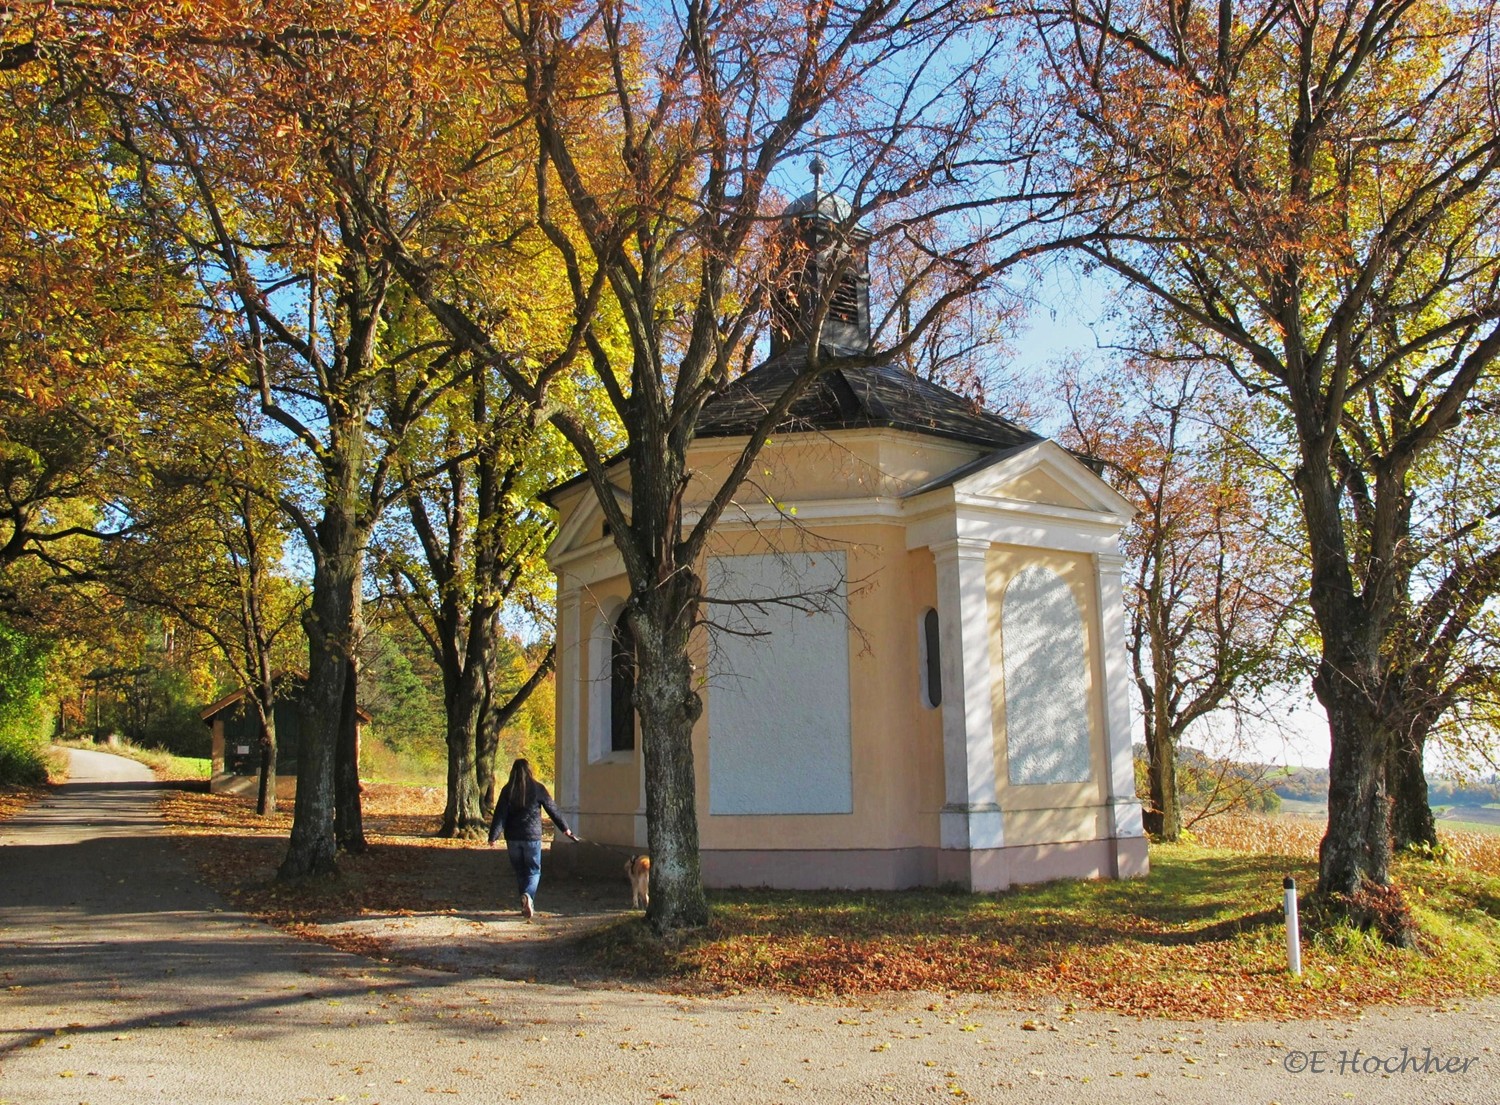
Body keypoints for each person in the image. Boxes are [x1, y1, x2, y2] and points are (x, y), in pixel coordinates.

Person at [487, 757, 577, 919]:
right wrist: (565, 829)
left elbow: (500, 815)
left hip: (513, 838)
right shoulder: (538, 788)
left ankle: (524, 900)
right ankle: (528, 896)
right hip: (532, 838)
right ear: (529, 771)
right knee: (534, 871)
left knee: (520, 871)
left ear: (513, 772)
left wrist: (493, 836)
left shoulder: (508, 790)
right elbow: (552, 809)